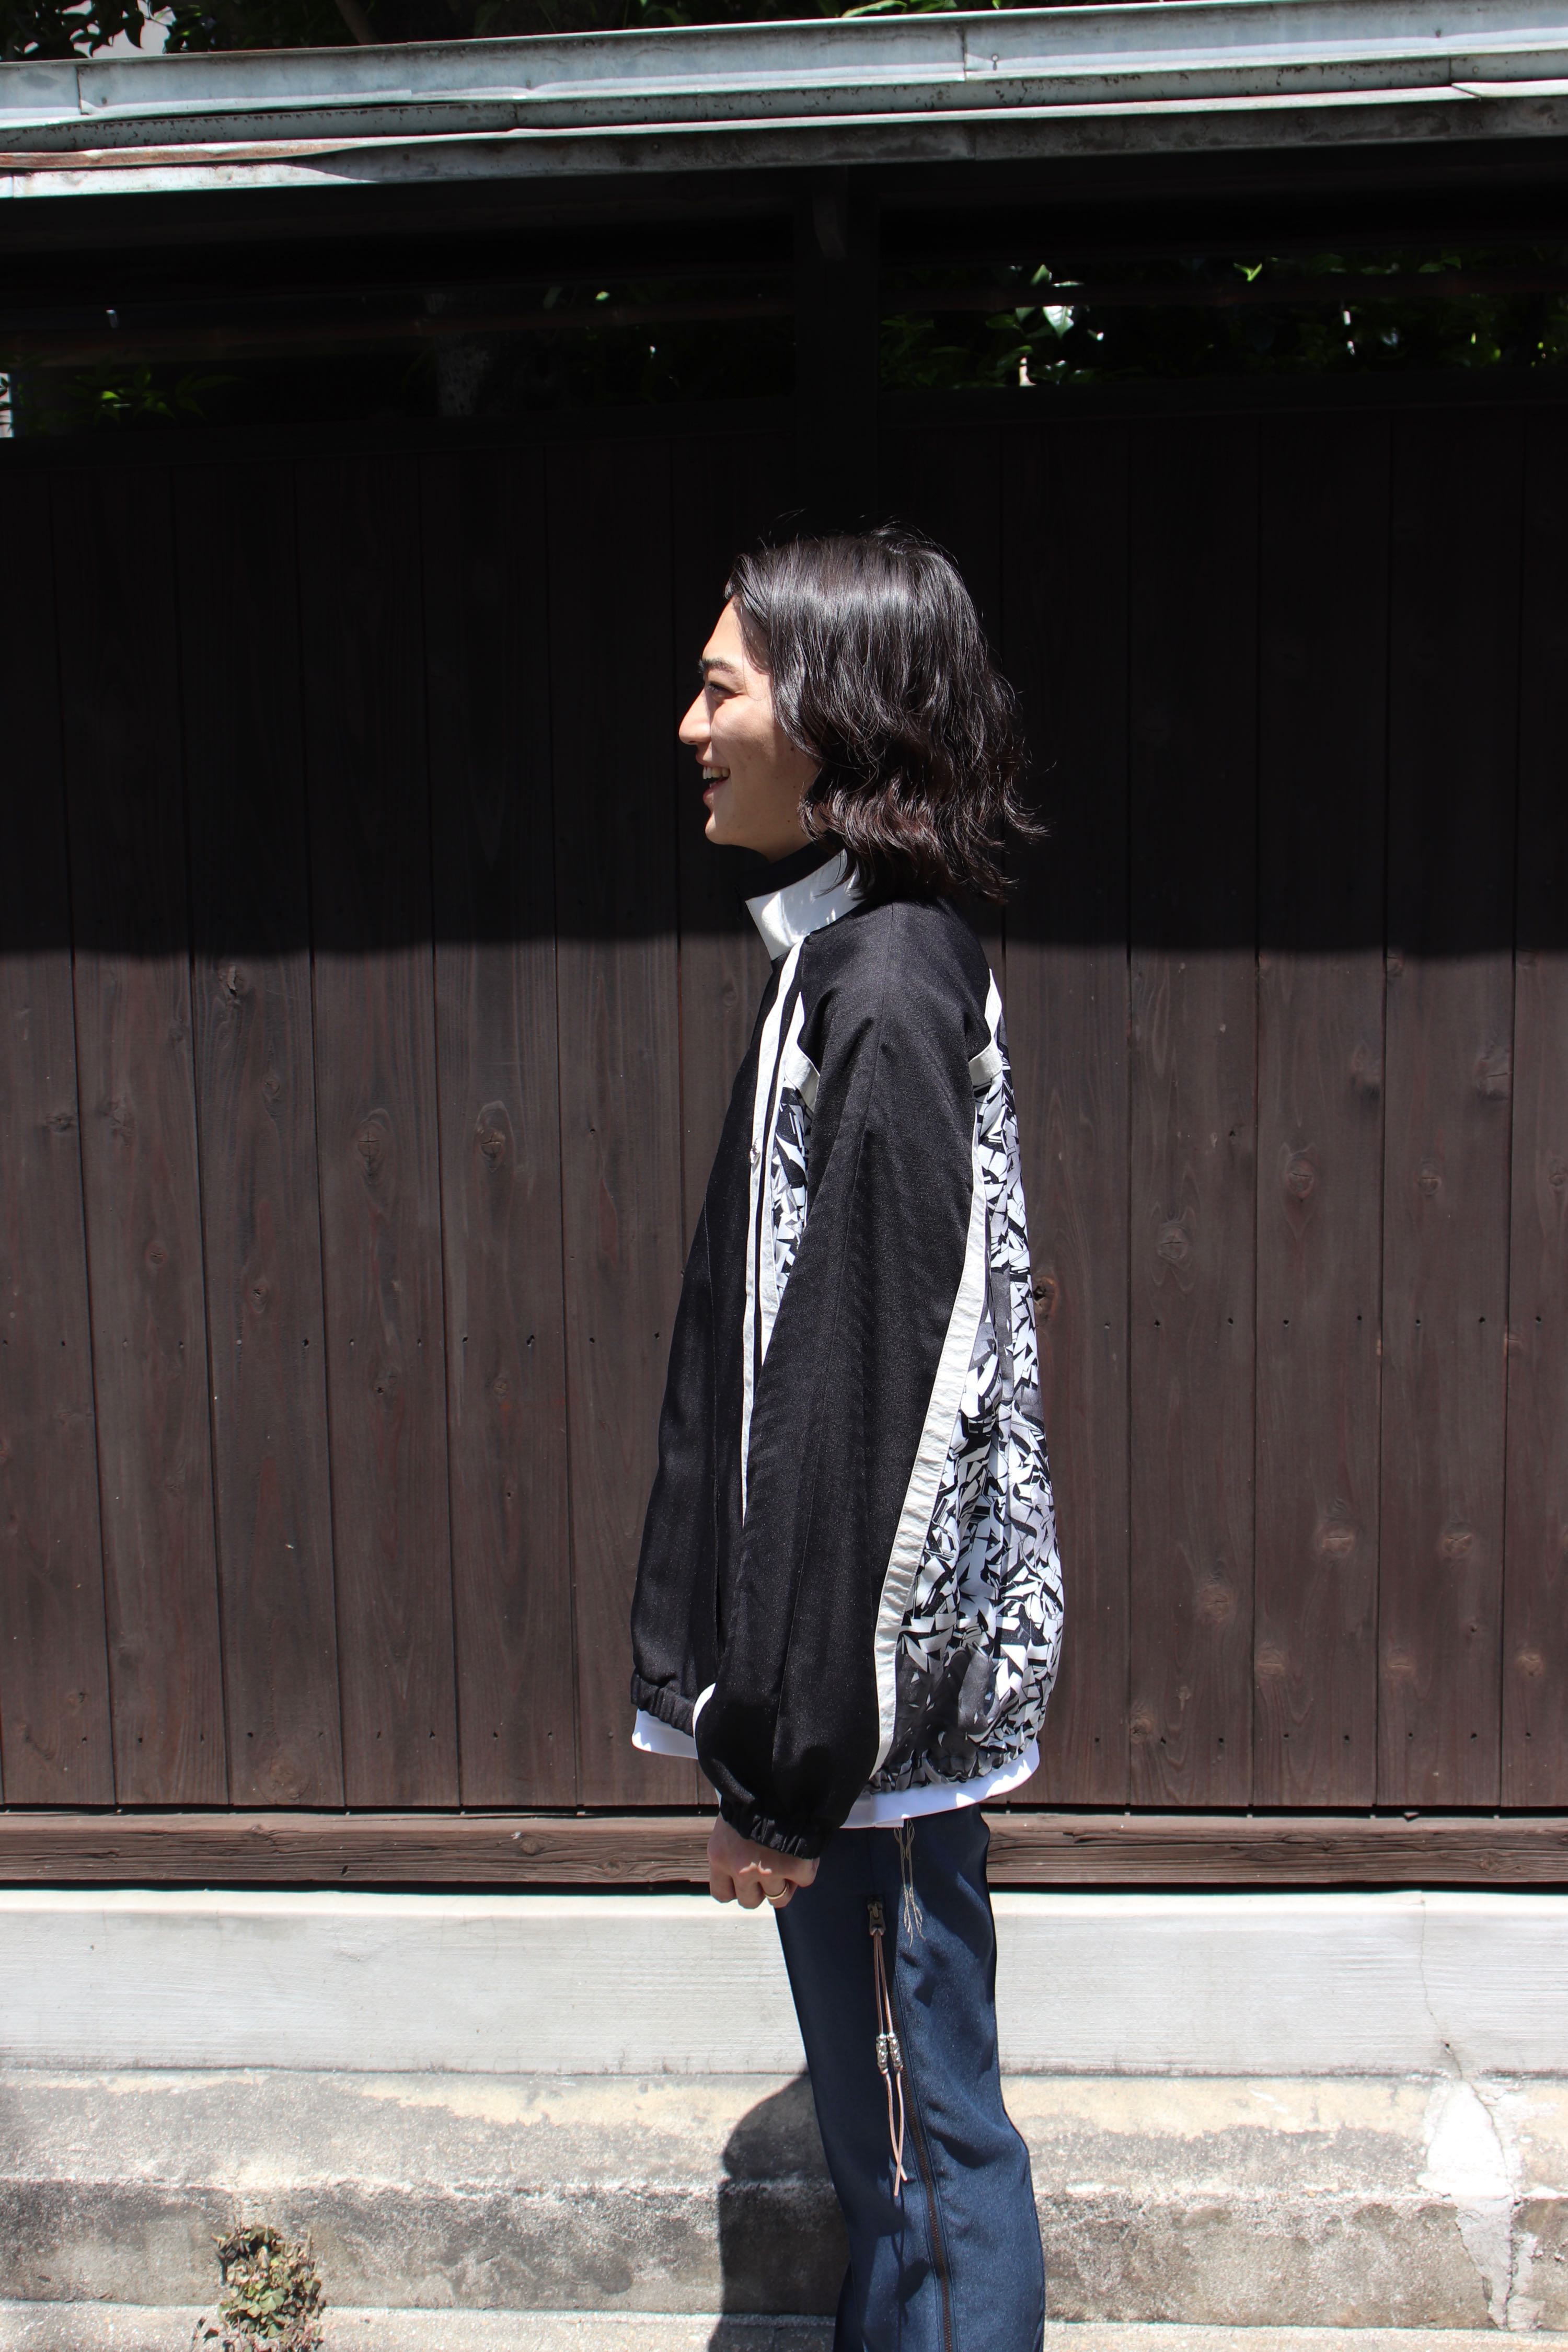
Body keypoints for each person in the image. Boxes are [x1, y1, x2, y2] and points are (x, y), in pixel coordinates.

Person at [628, 527, 1065, 2352]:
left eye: (721, 688)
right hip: (855, 1716)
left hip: (867, 1725)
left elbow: (865, 1406)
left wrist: (785, 1770)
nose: (690, 726)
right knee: (902, 2151)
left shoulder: (883, 987)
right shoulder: (851, 962)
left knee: (925, 2157)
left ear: (833, 716)